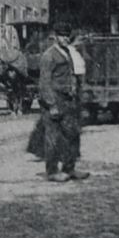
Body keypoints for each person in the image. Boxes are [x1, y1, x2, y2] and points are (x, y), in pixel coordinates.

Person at [38, 23, 90, 181]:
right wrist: (51, 104)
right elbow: (44, 82)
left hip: (69, 100)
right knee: (53, 137)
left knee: (72, 134)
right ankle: (52, 172)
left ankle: (69, 168)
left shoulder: (68, 53)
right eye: (62, 36)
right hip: (55, 100)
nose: (65, 38)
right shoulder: (49, 55)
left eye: (68, 36)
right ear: (55, 36)